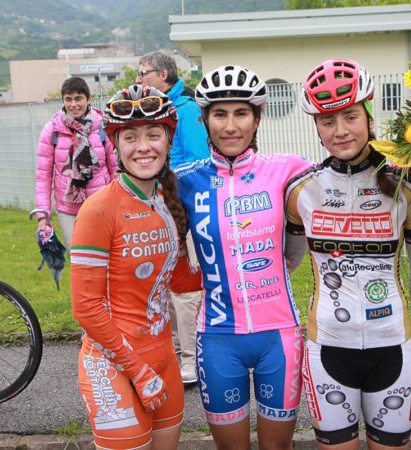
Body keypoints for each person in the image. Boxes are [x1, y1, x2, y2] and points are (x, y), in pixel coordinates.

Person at [285, 59, 411, 450]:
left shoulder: (406, 186)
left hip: (392, 347)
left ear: (370, 117)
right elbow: (286, 264)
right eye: (327, 121)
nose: (340, 130)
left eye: (350, 116)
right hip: (327, 348)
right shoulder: (301, 190)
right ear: (317, 127)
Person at [175, 64, 313, 450]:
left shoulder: (287, 168)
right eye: (220, 114)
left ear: (257, 119)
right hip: (218, 337)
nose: (231, 126)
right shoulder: (185, 179)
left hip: (279, 335)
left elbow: (349, 173)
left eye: (241, 113)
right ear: (205, 121)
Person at [70, 84, 202, 450]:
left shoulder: (168, 201)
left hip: (163, 359)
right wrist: (137, 371)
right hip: (113, 365)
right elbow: (85, 307)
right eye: (131, 137)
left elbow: (180, 281)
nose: (143, 146)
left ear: (168, 140)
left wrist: (234, 272)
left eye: (153, 135)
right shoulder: (99, 209)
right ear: (116, 145)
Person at [136, 50, 210, 384]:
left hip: (183, 208)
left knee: (185, 286)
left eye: (143, 73)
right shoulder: (156, 109)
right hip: (160, 206)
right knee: (164, 284)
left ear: (163, 76)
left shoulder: (187, 109)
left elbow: (199, 161)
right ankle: (176, 352)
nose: (139, 79)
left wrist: (167, 179)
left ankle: (192, 359)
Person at [35, 76, 118, 250]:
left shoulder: (103, 127)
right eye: (68, 99)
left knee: (105, 255)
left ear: (88, 99)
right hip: (68, 209)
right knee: (77, 257)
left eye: (78, 98)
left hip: (102, 206)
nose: (73, 104)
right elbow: (43, 176)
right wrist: (43, 215)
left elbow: (116, 169)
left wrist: (122, 203)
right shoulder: (52, 131)